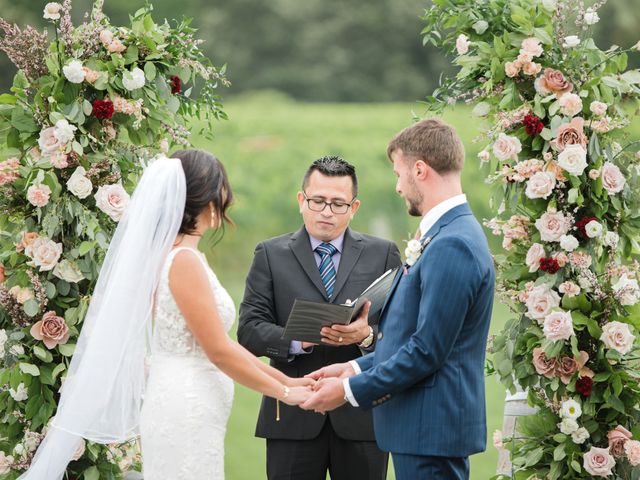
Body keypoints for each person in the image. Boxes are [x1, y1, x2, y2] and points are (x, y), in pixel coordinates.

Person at [19, 150, 313, 480]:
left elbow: (222, 345)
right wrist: (286, 393)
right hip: (185, 405)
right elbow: (218, 351)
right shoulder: (183, 261)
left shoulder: (176, 255)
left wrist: (290, 381)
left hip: (189, 401)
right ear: (208, 199)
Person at [302, 119, 496, 480]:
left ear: (419, 169)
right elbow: (412, 337)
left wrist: (347, 390)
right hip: (422, 430)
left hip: (431, 430)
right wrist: (355, 367)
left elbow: (427, 350)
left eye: (399, 173)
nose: (397, 187)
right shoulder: (446, 234)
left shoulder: (453, 243)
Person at [237, 156, 401, 480]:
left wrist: (366, 336)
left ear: (354, 208)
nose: (326, 211)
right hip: (292, 414)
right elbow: (249, 331)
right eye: (318, 201)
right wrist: (301, 338)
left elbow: (401, 331)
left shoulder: (383, 253)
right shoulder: (269, 254)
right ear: (302, 201)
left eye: (338, 204)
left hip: (362, 416)